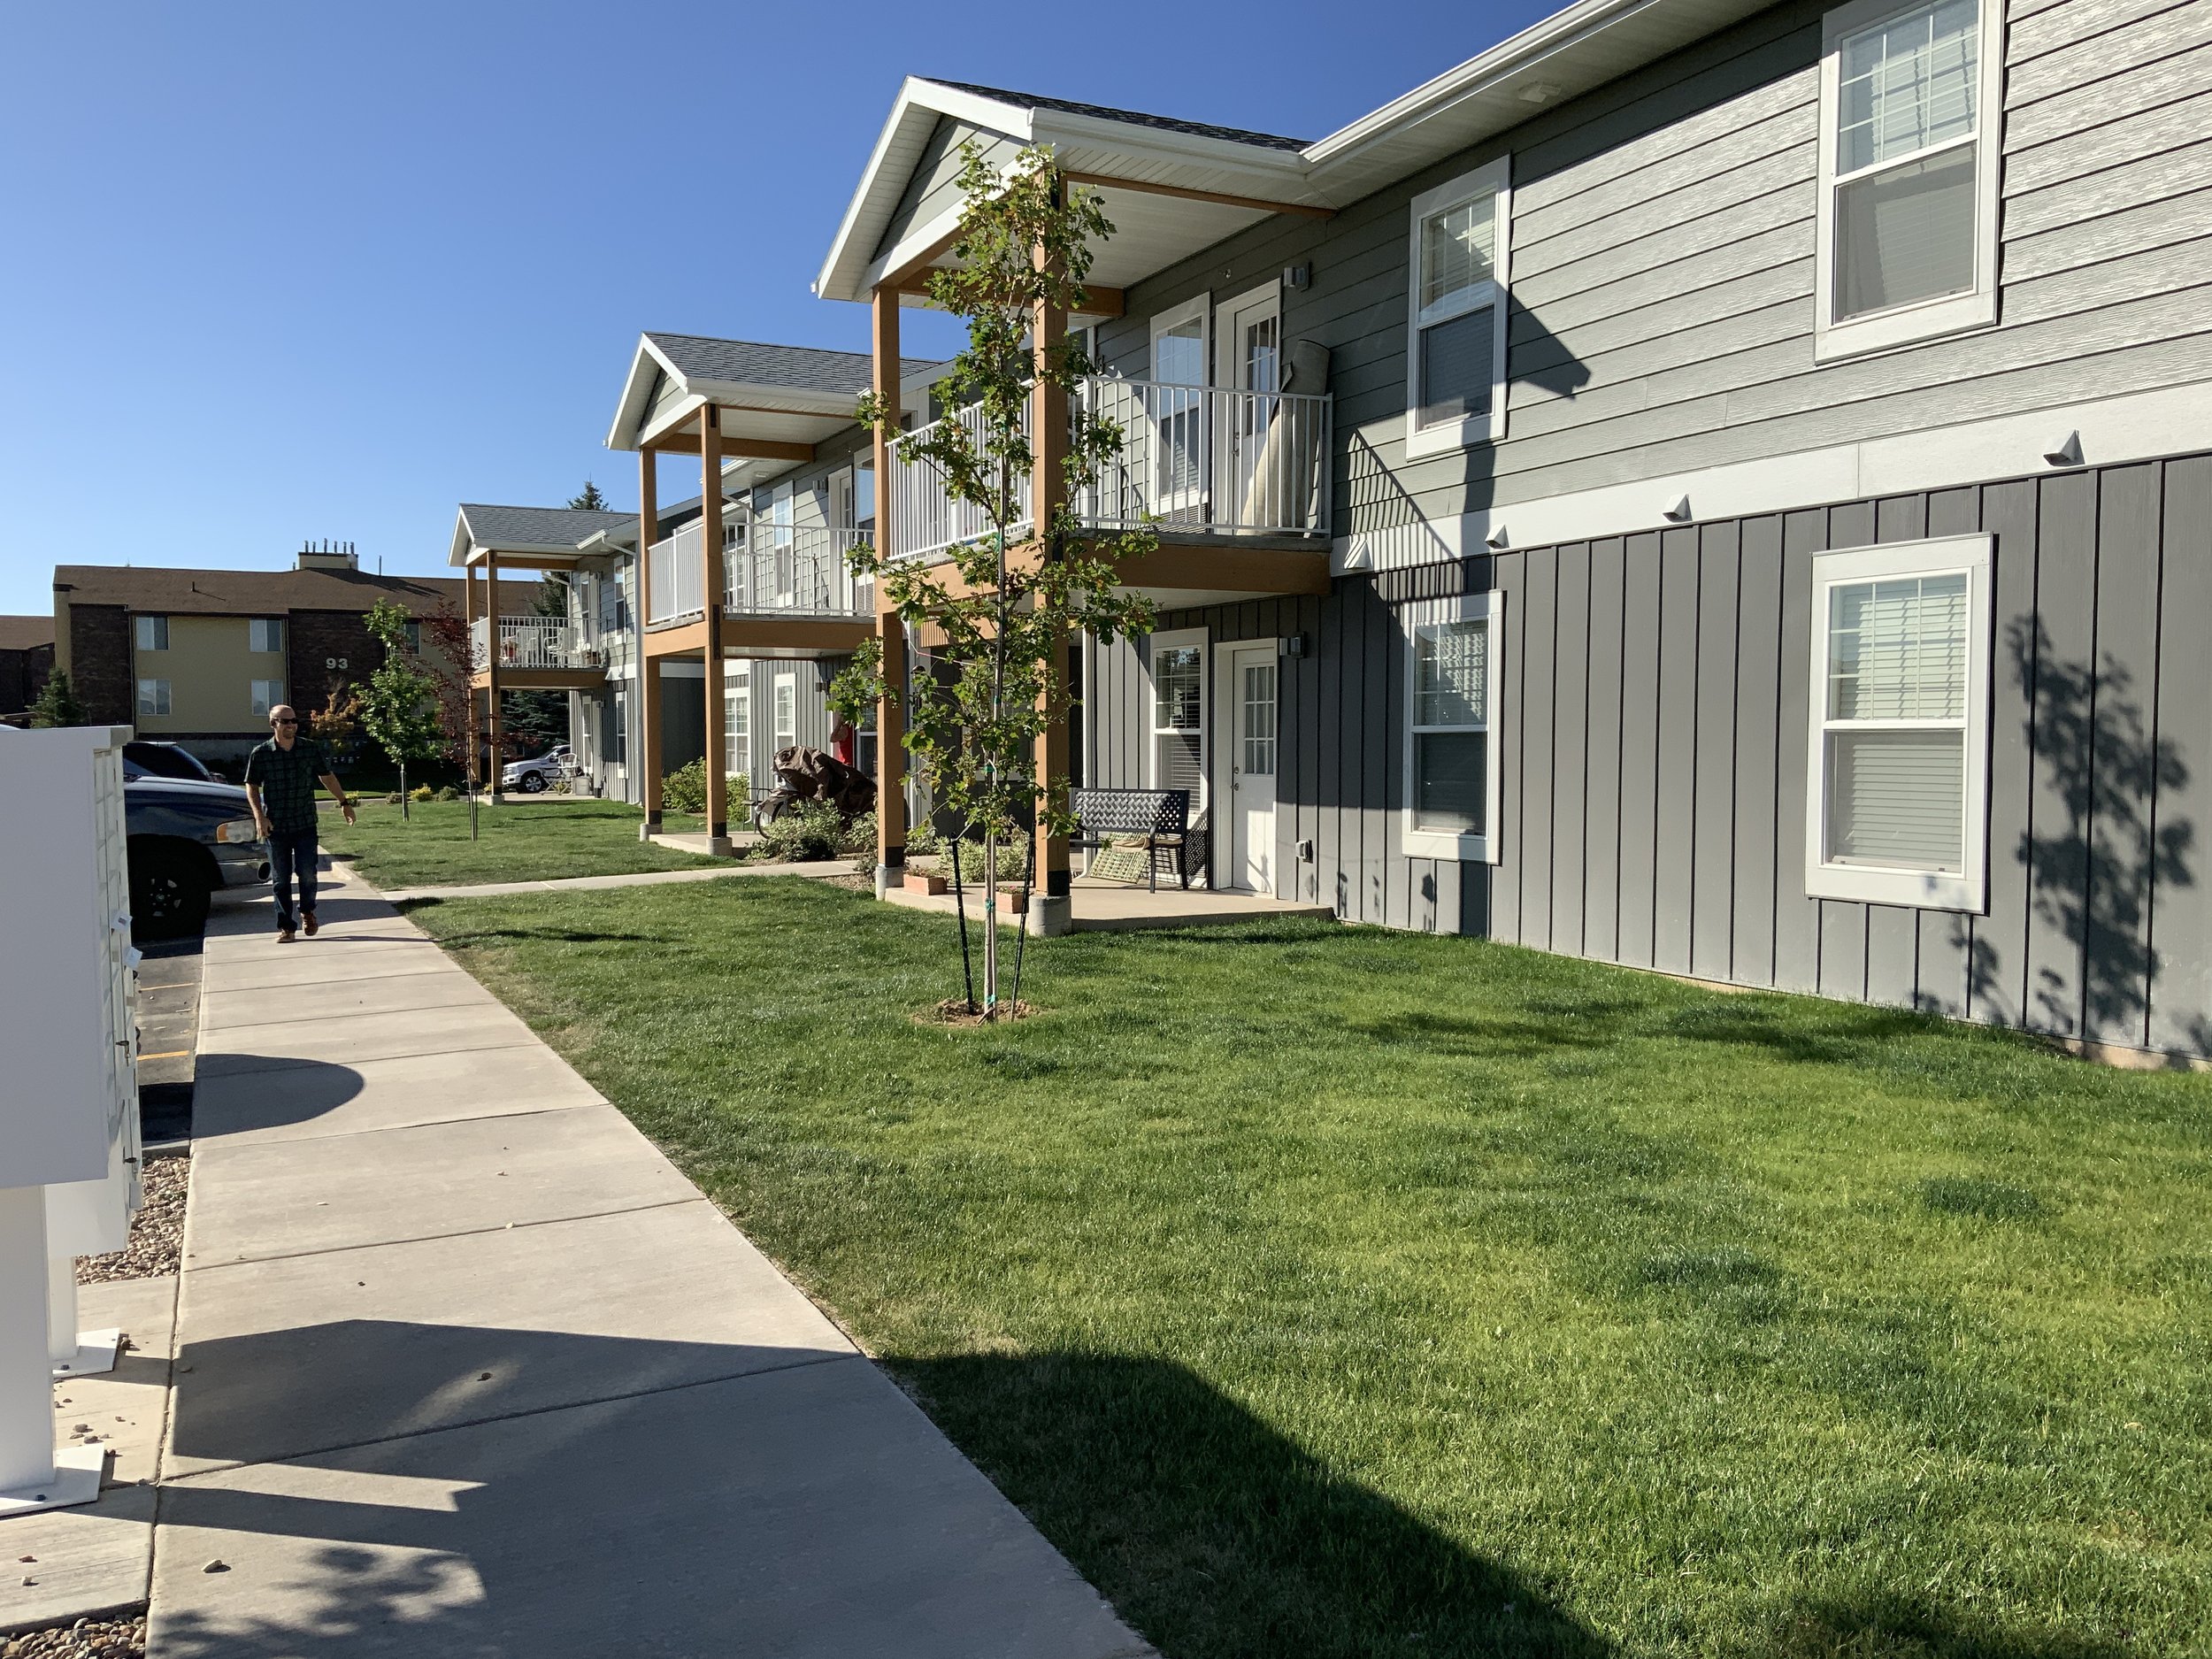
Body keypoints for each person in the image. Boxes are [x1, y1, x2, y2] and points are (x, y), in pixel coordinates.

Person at [242, 703, 356, 943]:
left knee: (307, 874)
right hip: (276, 827)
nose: (291, 725)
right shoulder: (261, 753)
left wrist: (344, 802)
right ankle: (286, 927)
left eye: (294, 720)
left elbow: (327, 776)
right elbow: (251, 785)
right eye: (285, 721)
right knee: (281, 880)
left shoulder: (308, 749)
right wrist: (259, 817)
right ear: (273, 724)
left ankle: (307, 911)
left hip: (305, 823)